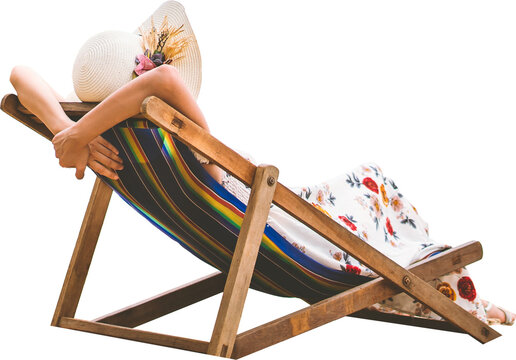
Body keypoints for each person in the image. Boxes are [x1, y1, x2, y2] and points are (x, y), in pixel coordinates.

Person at [7, 1, 514, 327]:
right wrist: (71, 134)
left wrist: (66, 131)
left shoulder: (109, 139)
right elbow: (162, 85)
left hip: (276, 219)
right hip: (286, 226)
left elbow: (19, 76)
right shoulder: (172, 129)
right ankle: (461, 300)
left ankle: (454, 298)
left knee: (368, 193)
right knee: (371, 186)